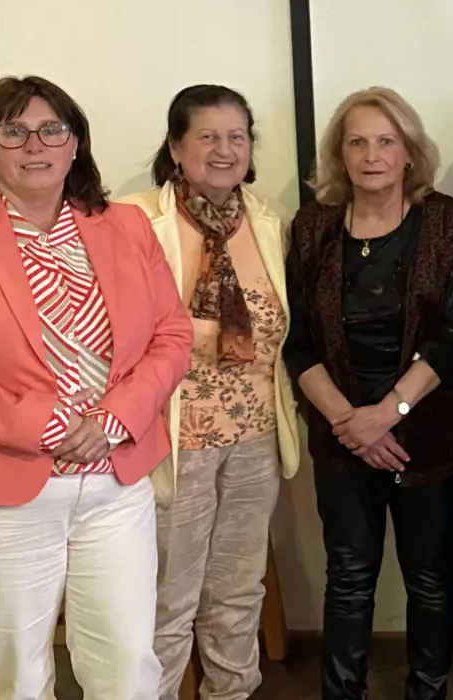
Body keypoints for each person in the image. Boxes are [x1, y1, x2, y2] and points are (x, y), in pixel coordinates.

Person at [0, 76, 192, 699]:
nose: (33, 144)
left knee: (128, 670)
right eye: (12, 131)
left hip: (115, 485)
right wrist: (43, 424)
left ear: (75, 145)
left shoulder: (124, 225)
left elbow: (172, 337)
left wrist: (116, 417)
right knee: (13, 679)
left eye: (51, 129)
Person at [283, 87, 453, 700]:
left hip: (424, 432)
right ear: (340, 154)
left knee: (429, 579)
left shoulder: (449, 221)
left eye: (386, 141)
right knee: (349, 577)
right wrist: (352, 423)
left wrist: (387, 415)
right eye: (357, 141)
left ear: (409, 153)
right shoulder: (311, 227)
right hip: (341, 435)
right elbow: (297, 343)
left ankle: (427, 691)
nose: (372, 154)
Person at [119, 85, 301, 699]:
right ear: (176, 147)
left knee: (237, 589)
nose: (225, 150)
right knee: (169, 595)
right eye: (207, 136)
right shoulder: (137, 222)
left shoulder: (270, 219)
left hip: (254, 437)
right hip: (174, 441)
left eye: (237, 137)